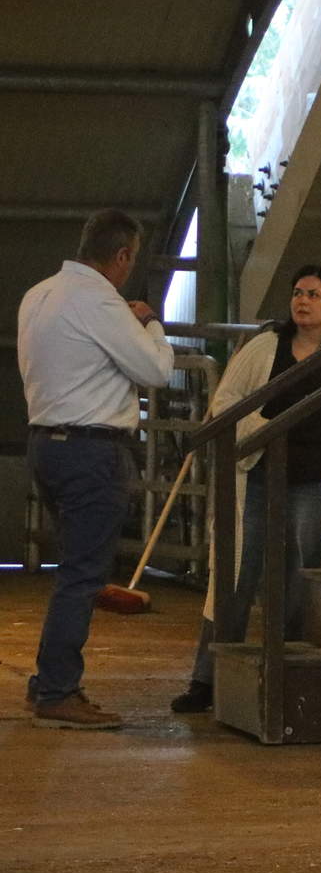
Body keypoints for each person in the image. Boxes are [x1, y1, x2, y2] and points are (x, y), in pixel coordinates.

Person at [172, 265, 321, 713]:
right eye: (297, 293)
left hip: (314, 485)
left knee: (300, 581)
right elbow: (226, 401)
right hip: (258, 475)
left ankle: (290, 677)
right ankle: (205, 681)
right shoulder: (266, 347)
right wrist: (264, 429)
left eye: (312, 294)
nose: (301, 301)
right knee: (234, 576)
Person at [19, 210, 175, 729]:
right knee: (82, 578)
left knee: (74, 574)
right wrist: (149, 321)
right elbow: (155, 370)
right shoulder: (100, 301)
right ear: (123, 255)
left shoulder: (39, 294)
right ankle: (58, 689)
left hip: (45, 442)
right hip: (91, 450)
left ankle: (49, 681)